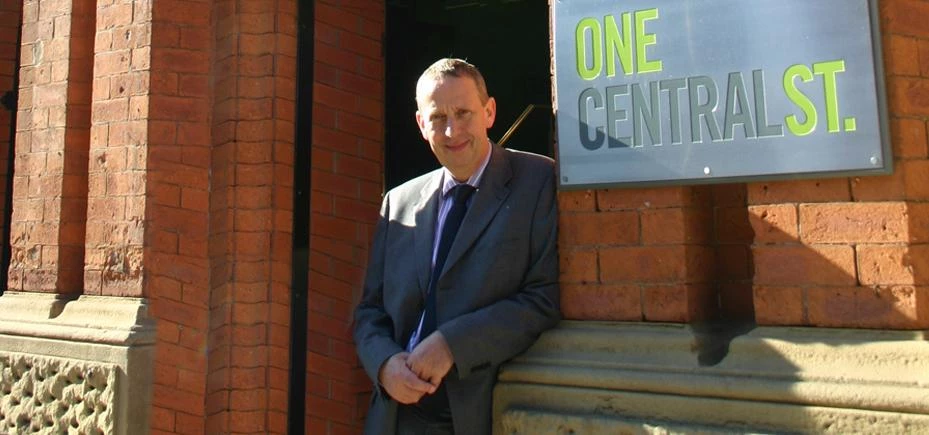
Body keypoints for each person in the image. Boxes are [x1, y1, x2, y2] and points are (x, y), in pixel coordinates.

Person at [353, 58, 560, 435]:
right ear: (420, 125)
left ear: (489, 112)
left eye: (463, 112)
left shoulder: (540, 181)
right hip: (396, 418)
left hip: (480, 413)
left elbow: (544, 297)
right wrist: (384, 365)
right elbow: (369, 312)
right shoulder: (397, 202)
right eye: (437, 117)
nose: (452, 130)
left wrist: (452, 345)